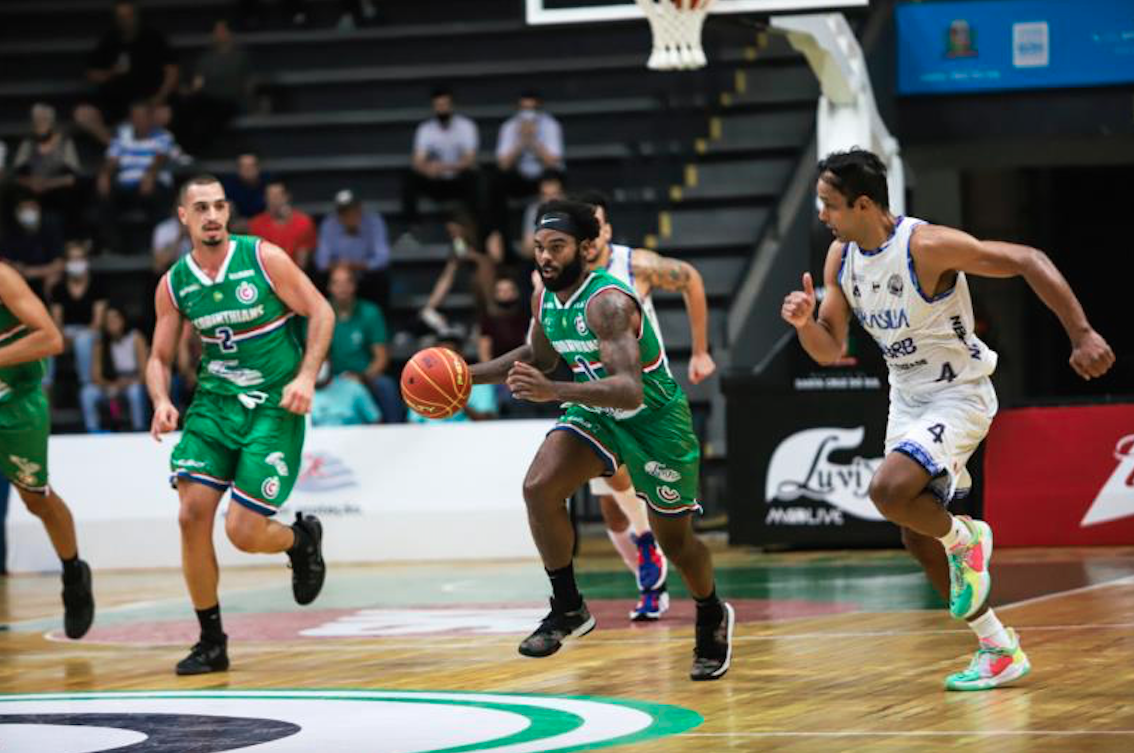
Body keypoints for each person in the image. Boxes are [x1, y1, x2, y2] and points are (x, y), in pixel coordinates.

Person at [781, 149, 1116, 691]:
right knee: (915, 536)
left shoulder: (926, 246)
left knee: (888, 490)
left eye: (829, 204)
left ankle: (966, 537)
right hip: (907, 398)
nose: (822, 215)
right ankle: (998, 646)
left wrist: (1081, 333)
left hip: (959, 395)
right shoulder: (840, 258)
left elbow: (1028, 258)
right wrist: (803, 324)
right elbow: (828, 348)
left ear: (863, 203)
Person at [469, 199, 734, 680]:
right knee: (538, 488)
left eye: (557, 247)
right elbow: (540, 354)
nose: (545, 257)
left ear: (588, 248)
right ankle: (568, 607)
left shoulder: (609, 302)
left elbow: (629, 389)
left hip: (653, 420)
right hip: (595, 412)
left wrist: (553, 391)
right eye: (538, 248)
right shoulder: (544, 296)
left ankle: (711, 610)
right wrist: (466, 377)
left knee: (674, 542)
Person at [147, 174, 334, 675]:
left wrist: (307, 376)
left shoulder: (264, 258)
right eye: (201, 208)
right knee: (190, 515)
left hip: (274, 407)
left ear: (229, 213)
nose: (212, 216)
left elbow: (321, 311)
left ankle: (300, 541)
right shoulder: (175, 283)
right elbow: (159, 357)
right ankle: (211, 641)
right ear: (183, 216)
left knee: (244, 533)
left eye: (219, 207)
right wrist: (162, 399)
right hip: (214, 405)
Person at [573, 190, 716, 621]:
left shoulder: (634, 265)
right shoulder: (561, 274)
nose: (589, 238)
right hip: (597, 392)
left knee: (638, 492)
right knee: (611, 511)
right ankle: (648, 567)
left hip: (645, 394)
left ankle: (654, 553)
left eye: (595, 228)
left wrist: (700, 350)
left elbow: (689, 277)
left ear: (607, 231)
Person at [0, 259, 95, 638]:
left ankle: (73, 573)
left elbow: (51, 338)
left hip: (15, 403)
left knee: (36, 499)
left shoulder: (3, 277)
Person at [74, 0, 179, 147]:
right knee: (82, 114)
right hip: (114, 107)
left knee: (165, 114)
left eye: (129, 16)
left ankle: (127, 144)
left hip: (147, 105)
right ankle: (119, 149)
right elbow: (91, 74)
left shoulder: (153, 37)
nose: (126, 21)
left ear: (137, 16)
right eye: (121, 17)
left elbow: (172, 71)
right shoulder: (110, 40)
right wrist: (112, 72)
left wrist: (159, 98)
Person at [325, 262, 403, 423]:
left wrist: (363, 377)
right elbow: (316, 356)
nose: (342, 288)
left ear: (354, 286)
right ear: (329, 287)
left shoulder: (370, 312)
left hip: (366, 376)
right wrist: (328, 379)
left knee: (386, 386)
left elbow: (381, 358)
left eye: (347, 282)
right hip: (332, 378)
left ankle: (396, 432)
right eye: (336, 283)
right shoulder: (322, 313)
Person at [97, 101, 178, 254]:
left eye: (143, 117)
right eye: (136, 117)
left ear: (150, 118)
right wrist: (105, 174)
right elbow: (111, 160)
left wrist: (150, 175)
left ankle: (157, 247)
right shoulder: (122, 135)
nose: (139, 121)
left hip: (152, 183)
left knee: (158, 196)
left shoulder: (163, 135)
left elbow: (161, 158)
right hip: (126, 185)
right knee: (103, 196)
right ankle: (113, 247)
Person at [401, 87, 481, 230]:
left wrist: (444, 167)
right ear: (433, 107)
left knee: (476, 176)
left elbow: (470, 160)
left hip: (458, 180)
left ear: (452, 105)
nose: (442, 109)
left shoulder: (466, 126)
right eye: (438, 105)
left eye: (445, 105)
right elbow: (417, 161)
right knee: (409, 176)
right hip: (436, 181)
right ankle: (411, 227)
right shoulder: (425, 129)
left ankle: (477, 224)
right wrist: (428, 169)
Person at [491, 92, 564, 242]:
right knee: (497, 180)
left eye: (532, 109)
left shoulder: (551, 125)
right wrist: (521, 141)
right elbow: (503, 164)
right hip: (520, 179)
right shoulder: (509, 127)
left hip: (543, 177)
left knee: (554, 174)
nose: (528, 114)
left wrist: (534, 141)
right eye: (524, 109)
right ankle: (501, 240)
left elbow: (554, 162)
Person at [173, 19, 253, 154]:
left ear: (229, 33)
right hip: (208, 99)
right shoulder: (205, 59)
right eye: (216, 31)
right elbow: (197, 84)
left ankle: (192, 150)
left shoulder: (240, 57)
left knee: (209, 117)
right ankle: (180, 148)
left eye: (222, 30)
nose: (219, 34)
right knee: (184, 107)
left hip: (230, 100)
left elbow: (248, 84)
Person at [11, 104, 84, 234]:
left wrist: (48, 184)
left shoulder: (65, 143)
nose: (40, 123)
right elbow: (17, 175)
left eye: (44, 119)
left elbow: (73, 177)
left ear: (52, 122)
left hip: (58, 188)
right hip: (32, 189)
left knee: (71, 197)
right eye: (37, 119)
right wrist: (33, 184)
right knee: (20, 198)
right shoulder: (27, 143)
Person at [315, 190, 391, 309]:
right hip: (338, 273)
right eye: (344, 212)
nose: (350, 216)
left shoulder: (374, 222)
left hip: (365, 274)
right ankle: (325, 316)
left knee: (381, 277)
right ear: (339, 214)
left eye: (353, 210)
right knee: (320, 277)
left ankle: (379, 319)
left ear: (360, 209)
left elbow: (382, 258)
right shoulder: (329, 224)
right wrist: (341, 267)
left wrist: (356, 265)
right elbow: (321, 262)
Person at [49, 241, 107, 393]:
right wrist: (62, 335)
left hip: (90, 332)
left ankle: (87, 385)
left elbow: (98, 322)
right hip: (66, 332)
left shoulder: (97, 286)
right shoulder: (58, 288)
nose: (76, 263)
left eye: (80, 258)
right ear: (66, 263)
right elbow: (56, 321)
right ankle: (45, 386)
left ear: (86, 261)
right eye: (72, 259)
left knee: (83, 340)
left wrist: (77, 337)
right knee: (47, 341)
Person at [81, 307, 149, 432]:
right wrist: (113, 385)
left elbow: (145, 373)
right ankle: (94, 430)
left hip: (133, 381)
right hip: (110, 383)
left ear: (123, 319)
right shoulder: (100, 343)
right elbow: (95, 376)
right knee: (87, 393)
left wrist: (128, 383)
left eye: (115, 318)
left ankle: (139, 428)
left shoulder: (135, 338)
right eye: (107, 320)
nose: (111, 323)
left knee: (135, 392)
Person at [3, 196, 64, 300]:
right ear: (17, 213)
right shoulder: (9, 234)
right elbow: (8, 264)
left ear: (39, 210)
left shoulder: (50, 230)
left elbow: (59, 265)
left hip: (43, 274)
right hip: (20, 277)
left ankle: (50, 314)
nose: (28, 212)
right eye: (24, 209)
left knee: (54, 279)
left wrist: (30, 272)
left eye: (31, 208)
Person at [248, 181, 317, 270]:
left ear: (286, 197)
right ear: (265, 198)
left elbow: (301, 264)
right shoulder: (255, 224)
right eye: (270, 196)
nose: (274, 200)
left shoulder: (303, 222)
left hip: (294, 276)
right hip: (265, 276)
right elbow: (255, 259)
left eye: (277, 196)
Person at [311, 361, 380, 427]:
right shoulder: (303, 392)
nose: (317, 367)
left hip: (354, 437)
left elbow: (375, 421)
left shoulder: (353, 387)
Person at [221, 153, 270, 229]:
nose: (247, 169)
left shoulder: (269, 184)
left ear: (258, 167)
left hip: (265, 225)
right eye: (243, 166)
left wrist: (253, 222)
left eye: (251, 166)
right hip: (236, 226)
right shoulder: (229, 186)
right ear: (238, 169)